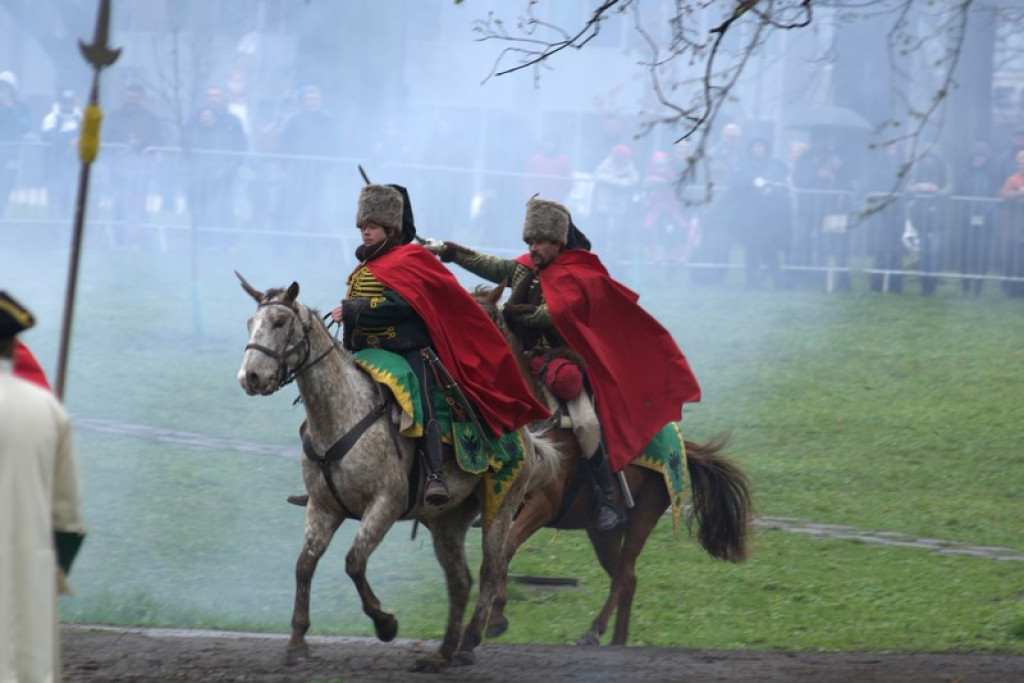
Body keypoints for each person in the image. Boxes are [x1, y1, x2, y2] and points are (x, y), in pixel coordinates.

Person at [431, 197, 701, 530]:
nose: (533, 248)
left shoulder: (579, 274)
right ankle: (488, 493)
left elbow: (559, 313)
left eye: (540, 241)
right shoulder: (526, 268)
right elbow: (492, 266)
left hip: (565, 365)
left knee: (587, 424)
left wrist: (519, 314)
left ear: (558, 242)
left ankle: (606, 497)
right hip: (527, 361)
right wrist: (448, 251)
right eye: (530, 241)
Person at [331, 184, 549, 505]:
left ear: (391, 229)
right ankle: (331, 476)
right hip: (368, 350)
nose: (365, 232)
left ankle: (435, 474)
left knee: (422, 402)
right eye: (363, 226)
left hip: (406, 348)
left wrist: (352, 309)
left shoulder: (409, 258)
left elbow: (402, 304)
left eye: (372, 226)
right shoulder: (364, 267)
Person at [0, 290, 86, 683]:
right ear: (12, 345)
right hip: (24, 583)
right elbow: (68, 523)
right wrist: (47, 572)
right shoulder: (46, 409)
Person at [729, 137, 791, 289]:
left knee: (769, 247)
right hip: (750, 213)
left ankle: (778, 281)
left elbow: (780, 181)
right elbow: (738, 182)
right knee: (751, 248)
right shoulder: (745, 165)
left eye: (761, 146)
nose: (758, 149)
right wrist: (753, 185)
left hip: (769, 214)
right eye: (755, 146)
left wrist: (770, 189)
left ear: (766, 148)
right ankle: (751, 281)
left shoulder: (775, 165)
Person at [953, 142, 1001, 297]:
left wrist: (987, 212)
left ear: (987, 158)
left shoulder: (992, 176)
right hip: (966, 219)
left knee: (982, 254)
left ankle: (978, 287)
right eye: (976, 156)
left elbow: (995, 196)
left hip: (986, 220)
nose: (979, 159)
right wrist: (965, 210)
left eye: (982, 156)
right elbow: (958, 193)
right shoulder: (965, 174)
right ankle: (966, 286)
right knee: (966, 253)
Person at [40, 89, 83, 222]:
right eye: (64, 102)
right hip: (55, 165)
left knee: (73, 195)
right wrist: (69, 140)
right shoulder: (51, 118)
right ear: (59, 103)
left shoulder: (80, 118)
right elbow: (49, 135)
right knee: (56, 195)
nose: (67, 105)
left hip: (75, 166)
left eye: (70, 102)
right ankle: (55, 224)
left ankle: (69, 222)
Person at [0, 70, 30, 220]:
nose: (3, 90)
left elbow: (26, 126)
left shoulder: (20, 106)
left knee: (7, 182)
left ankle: (2, 211)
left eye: (6, 87)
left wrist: (12, 109)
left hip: (12, 153)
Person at [997, 149, 1024, 297]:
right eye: (1020, 163)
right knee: (1013, 258)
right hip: (1015, 227)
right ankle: (1010, 288)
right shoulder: (1012, 179)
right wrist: (1017, 194)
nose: (1022, 165)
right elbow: (1002, 193)